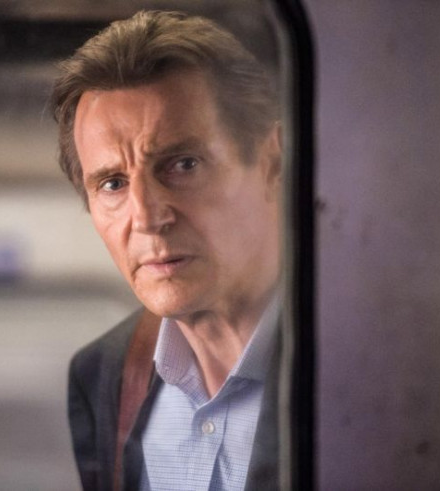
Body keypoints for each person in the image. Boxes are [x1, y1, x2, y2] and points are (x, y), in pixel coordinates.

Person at [51, 10, 282, 491]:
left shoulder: (364, 351)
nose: (147, 216)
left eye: (184, 164)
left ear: (271, 163)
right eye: (112, 183)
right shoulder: (105, 375)